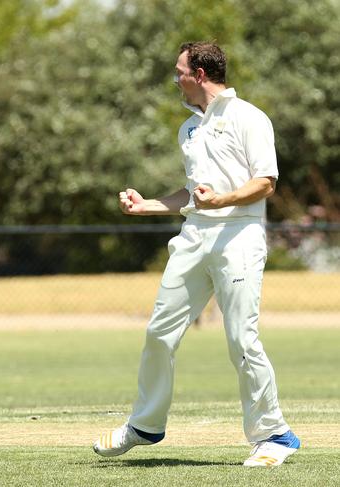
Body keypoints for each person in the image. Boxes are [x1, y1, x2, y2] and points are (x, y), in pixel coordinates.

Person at [93, 42, 300, 467]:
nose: (175, 79)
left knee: (242, 339)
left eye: (179, 72)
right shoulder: (189, 129)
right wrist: (145, 205)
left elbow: (265, 182)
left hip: (238, 236)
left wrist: (221, 200)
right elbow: (192, 196)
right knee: (158, 333)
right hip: (194, 236)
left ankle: (274, 435)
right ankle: (146, 424)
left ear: (200, 74)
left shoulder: (249, 118)